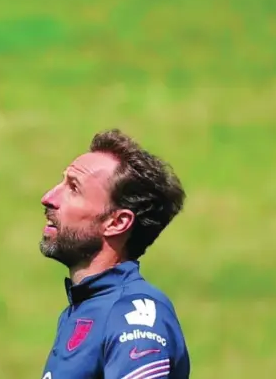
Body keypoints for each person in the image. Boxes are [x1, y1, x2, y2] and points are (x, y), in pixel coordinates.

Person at [39, 129, 190, 379]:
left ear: (117, 222)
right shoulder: (81, 312)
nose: (49, 198)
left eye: (74, 188)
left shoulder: (134, 316)